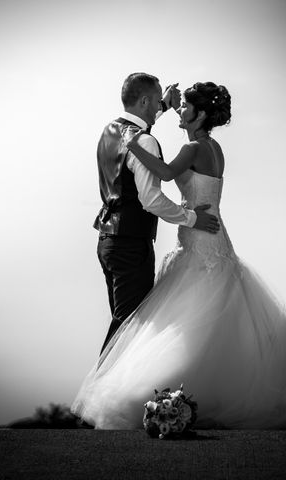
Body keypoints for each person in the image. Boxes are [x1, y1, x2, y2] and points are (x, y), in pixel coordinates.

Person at [71, 81, 286, 430]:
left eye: (184, 106)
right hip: (213, 235)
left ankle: (161, 394)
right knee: (210, 317)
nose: (178, 111)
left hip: (198, 233)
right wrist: (156, 117)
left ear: (200, 114)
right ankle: (197, 396)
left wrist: (132, 147)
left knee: (190, 319)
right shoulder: (213, 148)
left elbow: (167, 174)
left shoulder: (192, 149)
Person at [92, 73, 221, 355]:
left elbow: (141, 120)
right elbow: (151, 200)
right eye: (157, 101)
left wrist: (161, 106)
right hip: (131, 243)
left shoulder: (109, 131)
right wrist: (191, 218)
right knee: (129, 326)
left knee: (124, 322)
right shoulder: (146, 142)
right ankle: (103, 388)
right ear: (146, 100)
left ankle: (108, 386)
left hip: (107, 241)